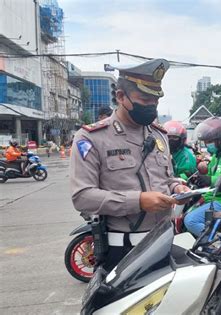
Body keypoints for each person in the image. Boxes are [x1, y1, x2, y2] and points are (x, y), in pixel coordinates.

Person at [70, 59, 190, 272]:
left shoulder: (159, 135)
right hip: (123, 251)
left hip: (164, 242)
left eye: (155, 100)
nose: (151, 106)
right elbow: (82, 196)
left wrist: (176, 187)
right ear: (120, 97)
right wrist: (139, 201)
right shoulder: (92, 138)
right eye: (144, 99)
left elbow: (166, 178)